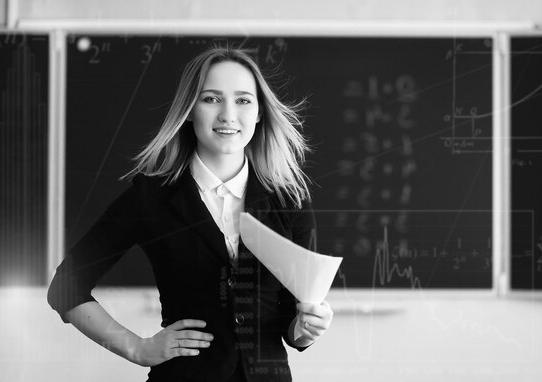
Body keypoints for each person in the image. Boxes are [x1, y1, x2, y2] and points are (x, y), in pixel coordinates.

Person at [47, 45, 334, 382]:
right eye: (211, 99)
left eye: (243, 100)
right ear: (189, 110)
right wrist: (137, 349)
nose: (228, 115)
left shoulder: (290, 200)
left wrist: (306, 328)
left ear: (258, 112)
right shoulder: (150, 198)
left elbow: (291, 325)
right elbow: (66, 285)